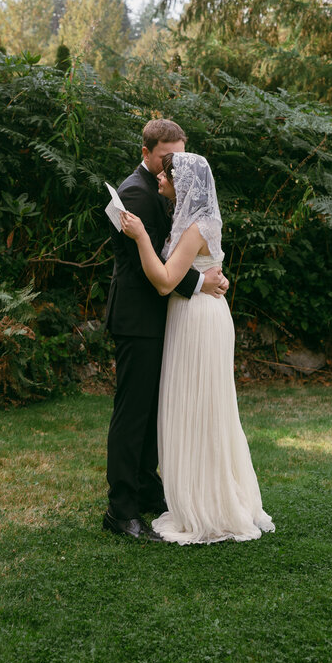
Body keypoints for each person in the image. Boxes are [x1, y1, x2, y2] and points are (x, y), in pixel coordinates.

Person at [120, 150, 274, 544]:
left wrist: (140, 237)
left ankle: (209, 503)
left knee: (202, 409)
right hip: (193, 314)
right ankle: (194, 492)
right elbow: (197, 272)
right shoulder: (188, 220)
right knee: (196, 406)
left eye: (166, 177)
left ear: (183, 184)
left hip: (199, 320)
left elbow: (165, 281)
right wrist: (206, 279)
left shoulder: (196, 227)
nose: (160, 180)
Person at [102, 119, 229, 541]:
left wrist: (211, 272)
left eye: (175, 160)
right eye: (163, 159)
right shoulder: (137, 192)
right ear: (146, 152)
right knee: (132, 414)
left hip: (164, 319)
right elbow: (154, 267)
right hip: (140, 320)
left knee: (154, 413)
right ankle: (120, 510)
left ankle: (145, 487)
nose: (167, 169)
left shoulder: (170, 192)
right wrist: (203, 281)